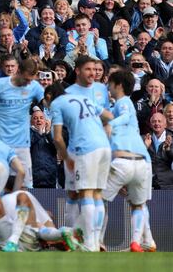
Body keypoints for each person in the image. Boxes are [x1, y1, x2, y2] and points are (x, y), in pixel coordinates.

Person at [48, 82, 113, 252]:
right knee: (97, 194)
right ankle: (96, 240)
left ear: (48, 97)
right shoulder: (83, 98)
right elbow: (109, 115)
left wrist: (66, 157)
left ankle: (89, 243)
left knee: (85, 193)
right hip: (104, 147)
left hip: (85, 148)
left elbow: (57, 138)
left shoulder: (56, 103)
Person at [101, 70, 154, 252]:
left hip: (125, 160)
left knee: (97, 200)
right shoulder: (121, 105)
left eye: (110, 83)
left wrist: (109, 124)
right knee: (138, 204)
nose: (108, 86)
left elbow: (123, 118)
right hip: (142, 161)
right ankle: (142, 242)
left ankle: (96, 241)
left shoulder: (123, 103)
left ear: (119, 85)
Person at [0, 58, 44, 188]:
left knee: (25, 186)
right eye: (26, 79)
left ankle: (21, 209)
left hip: (23, 145)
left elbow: (51, 104)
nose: (28, 83)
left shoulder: (34, 86)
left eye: (31, 80)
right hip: (0, 143)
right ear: (18, 71)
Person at [0, 190, 81, 252]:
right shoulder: (23, 194)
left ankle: (12, 242)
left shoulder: (19, 195)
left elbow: (47, 227)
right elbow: (49, 226)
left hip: (23, 240)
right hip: (8, 239)